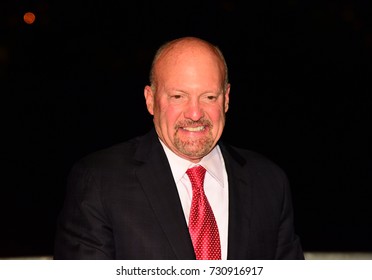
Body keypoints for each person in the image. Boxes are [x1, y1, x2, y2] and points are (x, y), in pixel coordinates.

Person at [54, 36, 304, 260]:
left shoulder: (270, 182)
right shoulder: (99, 181)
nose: (195, 114)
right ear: (150, 100)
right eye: (178, 97)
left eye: (209, 97)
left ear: (226, 99)